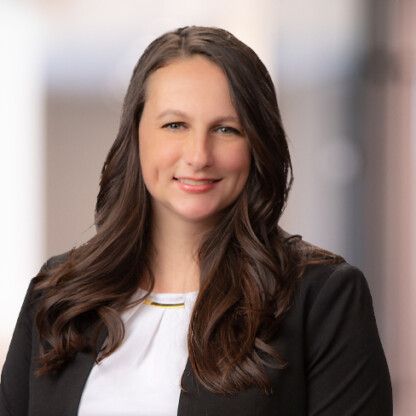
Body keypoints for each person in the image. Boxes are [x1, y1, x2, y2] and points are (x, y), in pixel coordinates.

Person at [0, 26, 392, 416]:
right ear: (136, 135)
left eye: (226, 129)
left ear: (257, 143)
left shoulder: (321, 298)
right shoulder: (58, 295)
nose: (199, 155)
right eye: (175, 125)